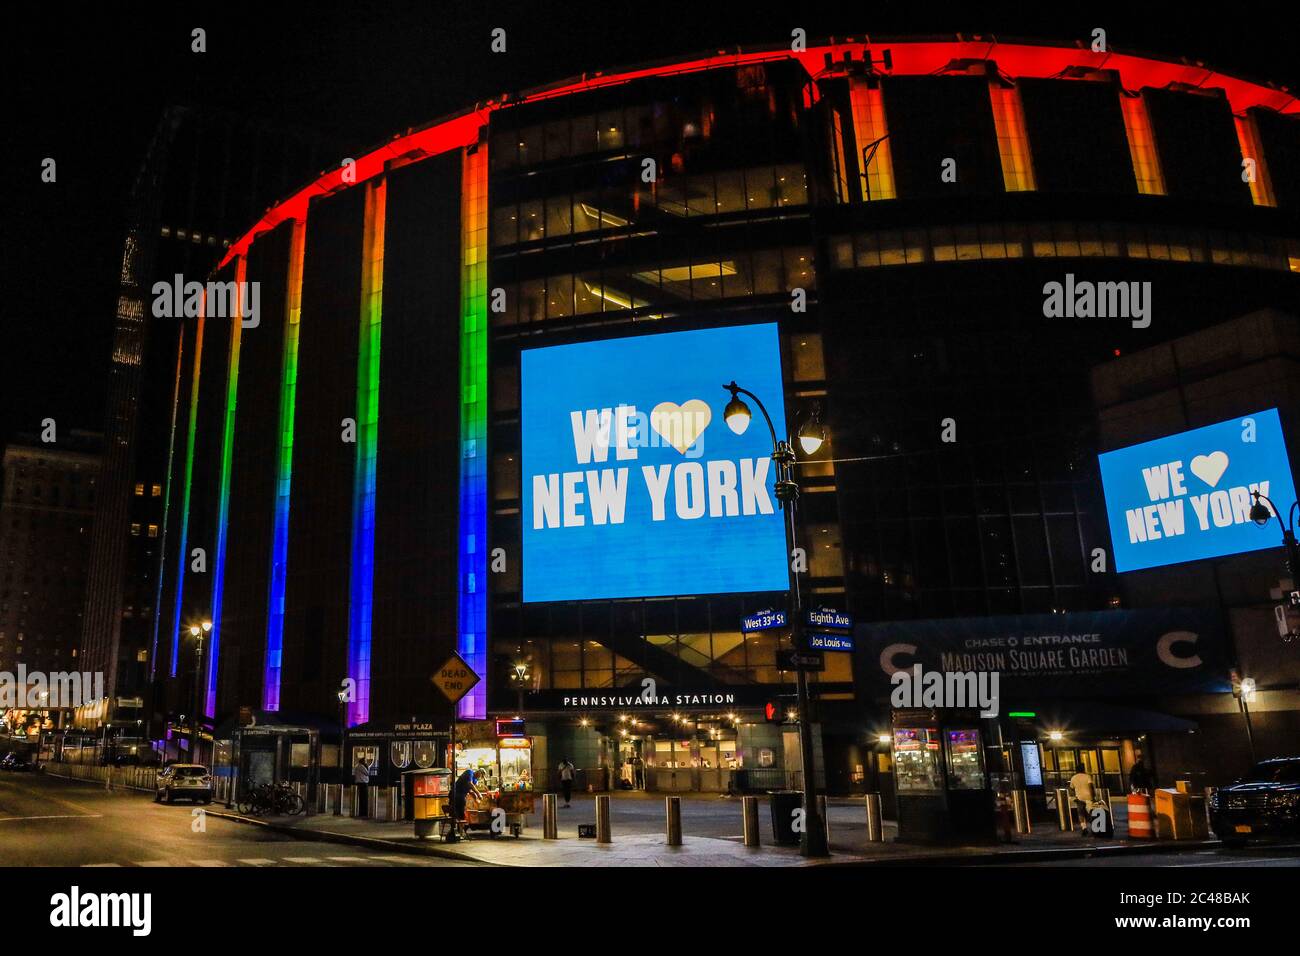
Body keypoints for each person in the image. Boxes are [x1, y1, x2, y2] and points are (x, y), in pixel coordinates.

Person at [1069, 765, 1095, 835]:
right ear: (1083, 769)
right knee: (1091, 813)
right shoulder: (1087, 776)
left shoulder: (1073, 778)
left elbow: (1071, 788)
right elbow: (1090, 787)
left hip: (1079, 798)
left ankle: (1084, 828)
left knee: (1081, 814)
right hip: (1088, 797)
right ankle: (1094, 828)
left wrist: (1074, 796)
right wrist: (1093, 796)